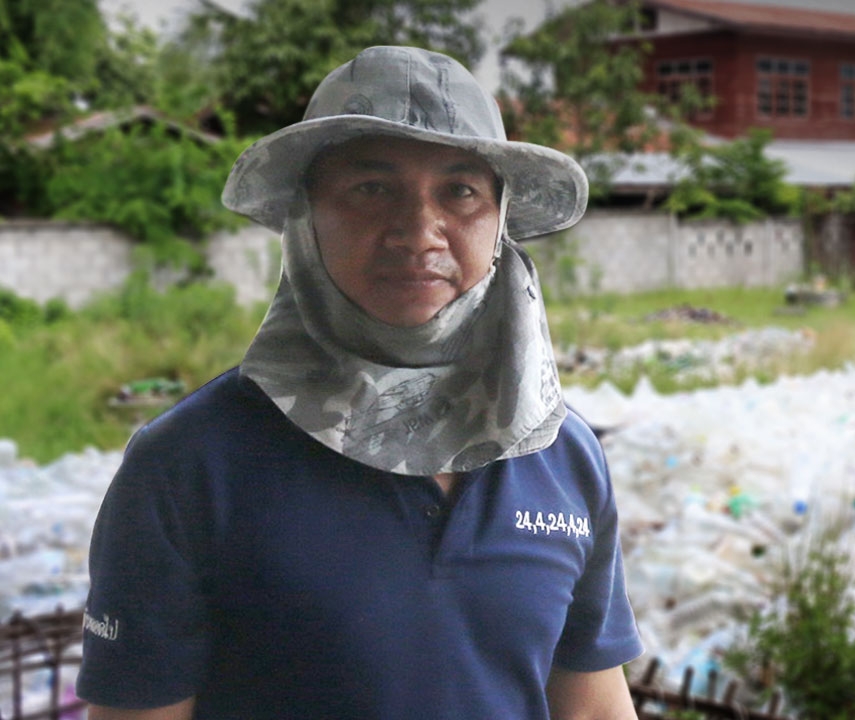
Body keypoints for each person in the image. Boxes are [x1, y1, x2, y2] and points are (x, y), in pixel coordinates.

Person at [76, 46, 643, 720]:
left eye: (460, 192)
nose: (417, 232)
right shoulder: (191, 464)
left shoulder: (563, 457)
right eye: (372, 189)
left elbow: (593, 708)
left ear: (500, 221)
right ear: (306, 216)